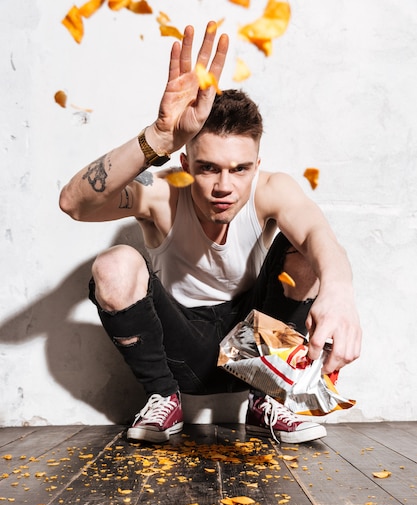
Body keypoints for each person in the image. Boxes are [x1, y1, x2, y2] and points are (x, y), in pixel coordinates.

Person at [59, 22, 362, 445]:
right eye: (208, 168)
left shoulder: (272, 189)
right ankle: (164, 400)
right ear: (186, 166)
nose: (225, 186)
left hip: (255, 346)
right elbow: (74, 203)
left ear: (256, 166)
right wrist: (158, 136)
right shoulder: (163, 193)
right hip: (180, 349)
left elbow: (317, 234)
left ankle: (267, 399)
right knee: (114, 263)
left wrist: (340, 293)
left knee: (306, 252)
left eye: (239, 169)